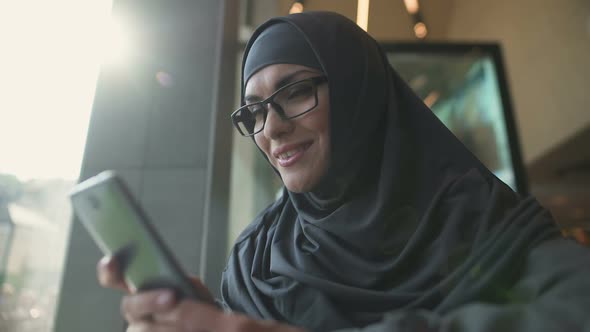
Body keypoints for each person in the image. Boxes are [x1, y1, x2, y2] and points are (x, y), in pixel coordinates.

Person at [98, 11, 590, 332]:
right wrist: (212, 317)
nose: (273, 129)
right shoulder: (254, 269)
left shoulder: (480, 224)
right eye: (255, 112)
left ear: (361, 95)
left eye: (294, 92)